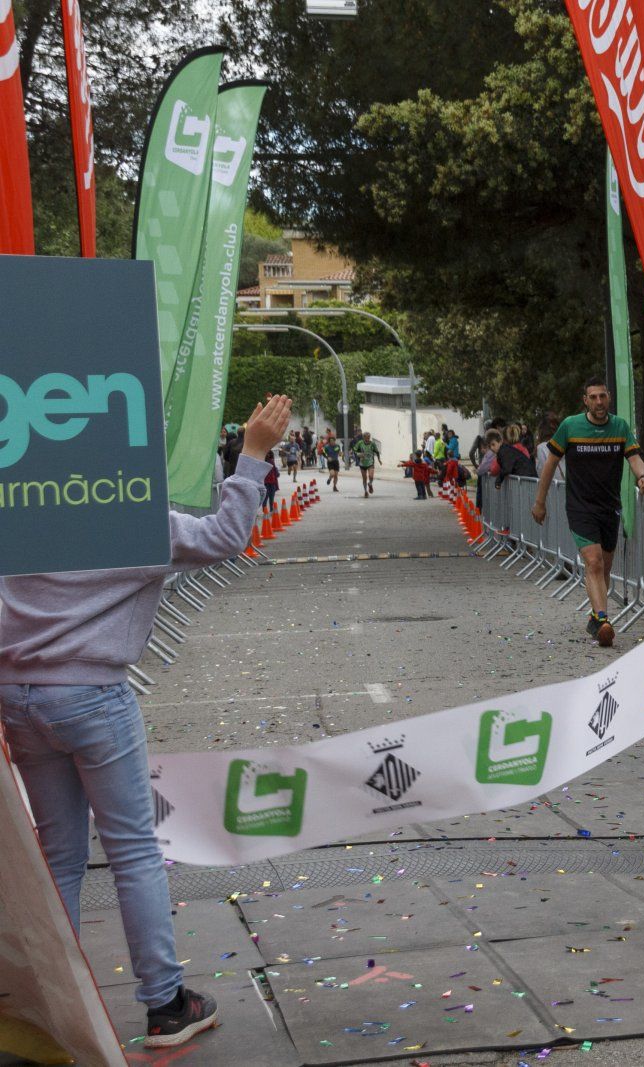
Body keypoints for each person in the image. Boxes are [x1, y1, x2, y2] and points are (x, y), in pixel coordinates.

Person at [0, 394, 293, 1047]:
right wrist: (251, 457)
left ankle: (48, 1006)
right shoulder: (127, 516)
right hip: (95, 694)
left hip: (17, 694)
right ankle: (164, 1002)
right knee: (132, 847)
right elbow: (223, 536)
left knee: (58, 856)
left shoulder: (20, 511)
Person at [533, 379, 644, 648]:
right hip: (580, 506)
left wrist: (642, 477)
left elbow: (634, 457)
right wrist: (540, 502)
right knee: (594, 562)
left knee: (605, 566)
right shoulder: (570, 426)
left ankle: (595, 618)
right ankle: (602, 620)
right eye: (593, 397)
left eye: (603, 396)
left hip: (609, 506)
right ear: (585, 400)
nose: (599, 402)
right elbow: (551, 464)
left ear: (609, 398)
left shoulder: (620, 427)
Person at [352, 431, 381, 498]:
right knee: (364, 478)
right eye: (366, 437)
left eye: (369, 437)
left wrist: (379, 459)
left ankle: (370, 484)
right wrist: (359, 454)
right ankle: (365, 491)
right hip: (362, 463)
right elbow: (354, 450)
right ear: (363, 437)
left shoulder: (372, 443)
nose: (368, 439)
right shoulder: (360, 443)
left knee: (371, 476)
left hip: (370, 462)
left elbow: (377, 451)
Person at [263, 450, 280, 514]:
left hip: (272, 481)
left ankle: (271, 509)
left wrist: (277, 473)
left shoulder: (272, 461)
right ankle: (264, 509)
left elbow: (274, 469)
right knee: (266, 496)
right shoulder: (263, 461)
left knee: (271, 496)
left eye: (269, 454)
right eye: (267, 453)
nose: (268, 455)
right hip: (265, 482)